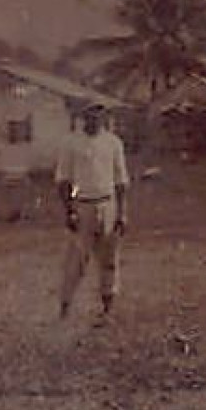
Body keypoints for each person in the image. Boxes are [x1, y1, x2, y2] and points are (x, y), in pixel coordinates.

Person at [54, 100, 131, 319]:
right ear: (83, 116)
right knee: (77, 259)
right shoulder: (71, 143)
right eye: (90, 113)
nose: (94, 118)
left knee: (109, 258)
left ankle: (107, 306)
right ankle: (65, 306)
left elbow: (121, 181)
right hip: (83, 204)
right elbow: (64, 181)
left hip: (108, 204)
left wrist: (122, 213)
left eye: (99, 113)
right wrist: (69, 210)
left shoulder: (113, 143)